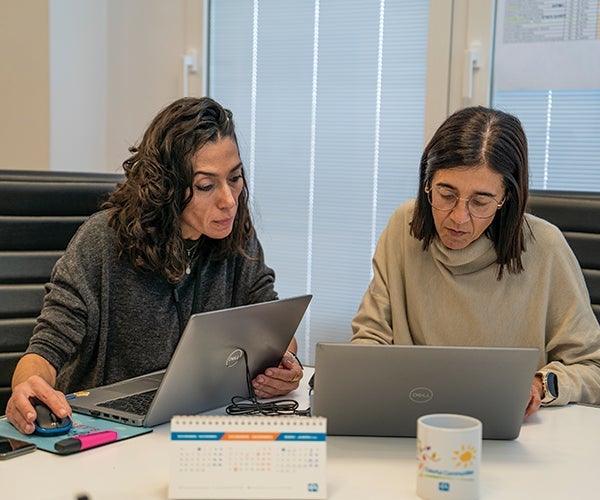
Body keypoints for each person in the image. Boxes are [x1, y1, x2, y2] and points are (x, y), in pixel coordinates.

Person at [7, 97, 303, 434]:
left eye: (234, 178)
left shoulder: (235, 236)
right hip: (107, 434)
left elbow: (272, 322)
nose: (229, 200)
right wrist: (27, 386)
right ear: (167, 187)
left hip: (198, 422)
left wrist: (283, 365)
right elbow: (45, 350)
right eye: (206, 185)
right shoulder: (102, 242)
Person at [351, 105, 600, 418]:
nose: (458, 217)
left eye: (480, 202)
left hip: (514, 430)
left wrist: (538, 385)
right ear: (427, 183)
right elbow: (370, 338)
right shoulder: (405, 226)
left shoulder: (545, 247)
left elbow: (591, 367)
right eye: (446, 194)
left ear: (505, 198)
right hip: (414, 420)